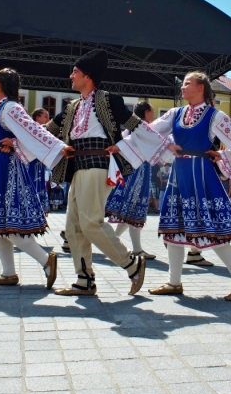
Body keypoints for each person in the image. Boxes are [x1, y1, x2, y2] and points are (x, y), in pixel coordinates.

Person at [46, 50, 167, 297]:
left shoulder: (108, 99)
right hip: (77, 167)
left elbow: (135, 125)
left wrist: (134, 146)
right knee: (73, 228)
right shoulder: (71, 107)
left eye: (75, 72)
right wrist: (14, 139)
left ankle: (131, 264)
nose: (71, 76)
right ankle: (84, 280)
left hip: (98, 164)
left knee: (90, 222)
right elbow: (46, 130)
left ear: (87, 76)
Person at [147, 71, 231, 300]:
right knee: (173, 227)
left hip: (200, 175)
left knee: (212, 229)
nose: (183, 87)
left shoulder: (214, 116)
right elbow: (150, 131)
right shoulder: (176, 113)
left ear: (201, 88)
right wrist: (167, 144)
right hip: (180, 174)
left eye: (187, 84)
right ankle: (174, 282)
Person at [0, 69, 68, 287]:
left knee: (10, 225)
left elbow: (33, 131)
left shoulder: (11, 107)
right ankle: (8, 273)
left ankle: (46, 261)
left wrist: (58, 147)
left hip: (5, 167)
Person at [105, 101, 158, 261]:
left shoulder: (132, 127)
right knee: (133, 210)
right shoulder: (142, 127)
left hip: (133, 172)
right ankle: (133, 249)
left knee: (128, 213)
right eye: (152, 111)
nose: (154, 114)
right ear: (147, 111)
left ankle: (113, 243)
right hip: (137, 173)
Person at [27, 108, 52, 218]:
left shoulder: (44, 129)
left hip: (40, 162)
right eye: (45, 116)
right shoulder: (33, 129)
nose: (48, 119)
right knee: (31, 182)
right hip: (30, 161)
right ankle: (31, 207)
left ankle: (39, 208)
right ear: (37, 117)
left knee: (40, 182)